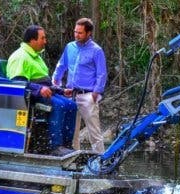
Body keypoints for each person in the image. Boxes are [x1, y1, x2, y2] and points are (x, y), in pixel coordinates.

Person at [6, 25, 77, 156]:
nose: (45, 41)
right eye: (42, 38)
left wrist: (61, 91)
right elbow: (18, 83)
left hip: (44, 92)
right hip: (31, 96)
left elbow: (45, 83)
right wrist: (39, 89)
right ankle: (55, 146)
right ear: (32, 41)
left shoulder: (36, 56)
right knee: (60, 105)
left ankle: (66, 145)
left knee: (71, 105)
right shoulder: (20, 57)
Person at [52, 18, 107, 154]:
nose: (76, 35)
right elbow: (61, 65)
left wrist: (96, 93)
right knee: (72, 131)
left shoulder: (96, 50)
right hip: (70, 94)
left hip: (88, 95)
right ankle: (73, 160)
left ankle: (101, 160)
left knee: (94, 132)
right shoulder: (70, 47)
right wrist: (55, 83)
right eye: (75, 32)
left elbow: (102, 73)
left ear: (89, 33)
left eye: (80, 33)